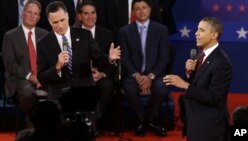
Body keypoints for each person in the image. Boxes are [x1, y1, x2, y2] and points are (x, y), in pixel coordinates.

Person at [36, 1, 120, 112]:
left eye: (62, 20)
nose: (60, 25)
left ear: (67, 15)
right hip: (59, 94)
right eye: (55, 22)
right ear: (49, 21)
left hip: (84, 90)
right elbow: (41, 77)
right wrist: (57, 67)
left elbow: (98, 58)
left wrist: (109, 58)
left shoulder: (84, 35)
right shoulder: (44, 44)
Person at [163, 17, 232, 141]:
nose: (196, 33)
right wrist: (189, 74)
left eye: (201, 30)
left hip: (210, 128)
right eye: (197, 29)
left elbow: (214, 97)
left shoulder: (221, 62)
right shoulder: (202, 55)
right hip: (196, 122)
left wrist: (185, 85)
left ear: (213, 35)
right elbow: (198, 85)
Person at [119, 0, 170, 137]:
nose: (141, 11)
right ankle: (148, 121)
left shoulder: (161, 30)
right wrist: (137, 76)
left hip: (155, 74)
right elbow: (124, 58)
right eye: (137, 9)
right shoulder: (125, 31)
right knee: (129, 88)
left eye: (144, 8)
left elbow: (164, 58)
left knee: (161, 88)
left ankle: (145, 122)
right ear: (133, 12)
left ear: (150, 9)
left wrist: (150, 76)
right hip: (133, 75)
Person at [2, 0, 48, 118]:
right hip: (21, 78)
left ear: (39, 18)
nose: (32, 16)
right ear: (23, 13)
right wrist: (30, 76)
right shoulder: (10, 36)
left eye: (36, 14)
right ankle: (31, 124)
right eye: (29, 12)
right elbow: (10, 64)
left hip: (43, 77)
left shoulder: (46, 35)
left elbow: (51, 59)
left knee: (61, 90)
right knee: (28, 93)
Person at [77, 0, 116, 133]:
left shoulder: (107, 34)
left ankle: (91, 122)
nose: (90, 17)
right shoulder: (71, 33)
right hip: (79, 76)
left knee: (107, 85)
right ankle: (84, 124)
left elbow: (113, 61)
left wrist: (102, 74)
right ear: (79, 16)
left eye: (93, 13)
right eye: (86, 13)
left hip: (100, 75)